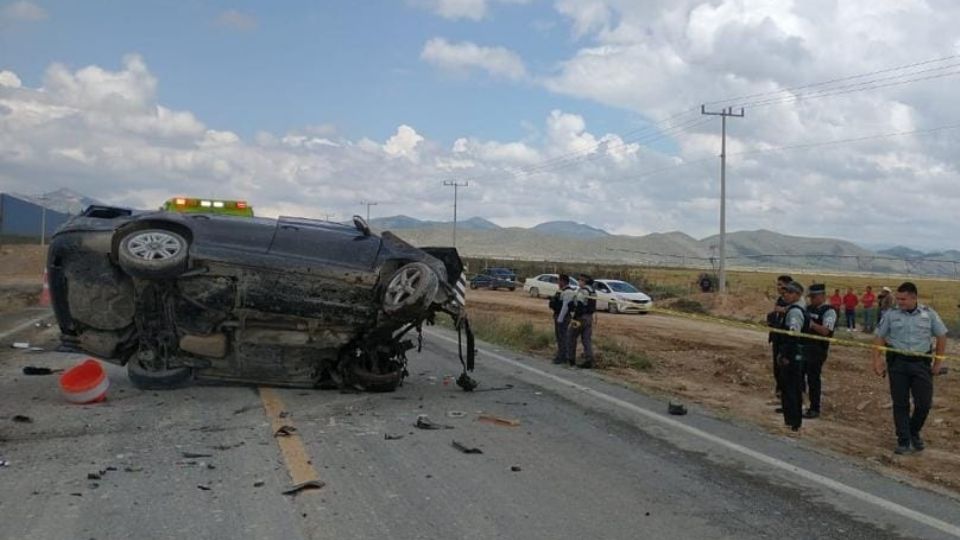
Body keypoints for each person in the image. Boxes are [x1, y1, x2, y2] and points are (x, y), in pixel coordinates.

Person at [873, 282, 948, 455]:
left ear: (914, 298)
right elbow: (879, 337)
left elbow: (942, 336)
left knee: (924, 403)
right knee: (900, 404)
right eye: (898, 298)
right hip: (897, 363)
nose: (899, 302)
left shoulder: (928, 314)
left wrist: (938, 363)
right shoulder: (891, 315)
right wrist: (876, 361)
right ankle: (904, 440)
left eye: (903, 299)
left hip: (921, 364)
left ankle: (913, 431)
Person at [777, 281, 809, 431]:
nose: (786, 295)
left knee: (792, 388)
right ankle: (790, 420)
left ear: (797, 294)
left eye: (789, 292)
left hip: (793, 354)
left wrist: (786, 355)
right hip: (792, 352)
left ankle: (793, 422)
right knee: (789, 387)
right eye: (785, 292)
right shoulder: (793, 309)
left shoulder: (795, 312)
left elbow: (793, 335)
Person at [802, 284, 837, 419]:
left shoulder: (829, 311)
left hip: (817, 350)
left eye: (814, 297)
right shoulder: (808, 308)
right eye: (810, 297)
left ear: (822, 296)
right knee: (797, 376)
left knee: (813, 379)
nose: (811, 300)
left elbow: (825, 331)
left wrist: (811, 324)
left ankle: (814, 408)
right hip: (804, 346)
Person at [766, 275, 793, 403]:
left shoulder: (790, 302)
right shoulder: (780, 299)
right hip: (776, 337)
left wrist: (782, 310)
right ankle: (779, 393)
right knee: (777, 368)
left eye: (780, 285)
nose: (778, 287)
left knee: (784, 368)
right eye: (777, 285)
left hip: (785, 340)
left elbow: (793, 311)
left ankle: (784, 395)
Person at [566, 273, 596, 368]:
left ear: (584, 281)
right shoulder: (592, 291)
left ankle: (571, 359)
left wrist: (574, 318)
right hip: (589, 318)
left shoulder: (583, 291)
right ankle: (589, 360)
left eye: (580, 280)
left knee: (571, 336)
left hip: (580, 318)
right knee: (586, 340)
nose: (579, 281)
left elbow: (579, 305)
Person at [551, 274, 577, 365]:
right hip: (558, 315)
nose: (558, 283)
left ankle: (563, 356)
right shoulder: (561, 291)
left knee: (562, 337)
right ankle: (561, 355)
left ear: (563, 281)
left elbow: (565, 307)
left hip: (563, 317)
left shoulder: (568, 292)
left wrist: (560, 319)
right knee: (559, 337)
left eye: (559, 281)